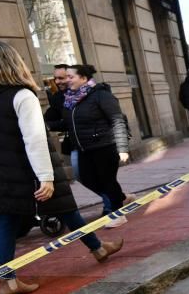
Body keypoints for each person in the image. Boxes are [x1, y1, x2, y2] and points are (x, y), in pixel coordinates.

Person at [0, 41, 123, 294]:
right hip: (26, 168)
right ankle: (9, 281)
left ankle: (97, 248)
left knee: (50, 209)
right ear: (12, 62)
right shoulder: (20, 95)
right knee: (42, 209)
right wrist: (46, 176)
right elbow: (34, 139)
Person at [50, 63, 132, 229]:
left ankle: (118, 213)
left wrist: (122, 147)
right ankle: (120, 197)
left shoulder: (100, 95)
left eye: (71, 77)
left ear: (84, 78)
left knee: (107, 179)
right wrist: (49, 126)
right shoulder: (71, 99)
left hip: (105, 145)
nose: (67, 80)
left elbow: (117, 119)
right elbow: (68, 123)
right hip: (84, 148)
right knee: (86, 177)